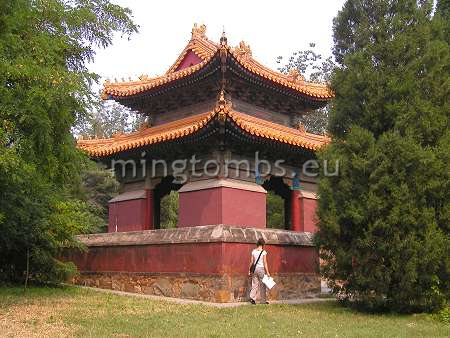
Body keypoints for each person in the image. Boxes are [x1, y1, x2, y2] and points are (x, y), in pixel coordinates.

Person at [248, 238, 270, 304]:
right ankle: (263, 301)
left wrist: (249, 270)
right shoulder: (263, 252)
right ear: (263, 244)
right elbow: (265, 262)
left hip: (254, 269)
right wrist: (268, 272)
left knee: (254, 284)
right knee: (262, 285)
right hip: (261, 269)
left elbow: (251, 262)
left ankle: (252, 299)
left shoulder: (253, 251)